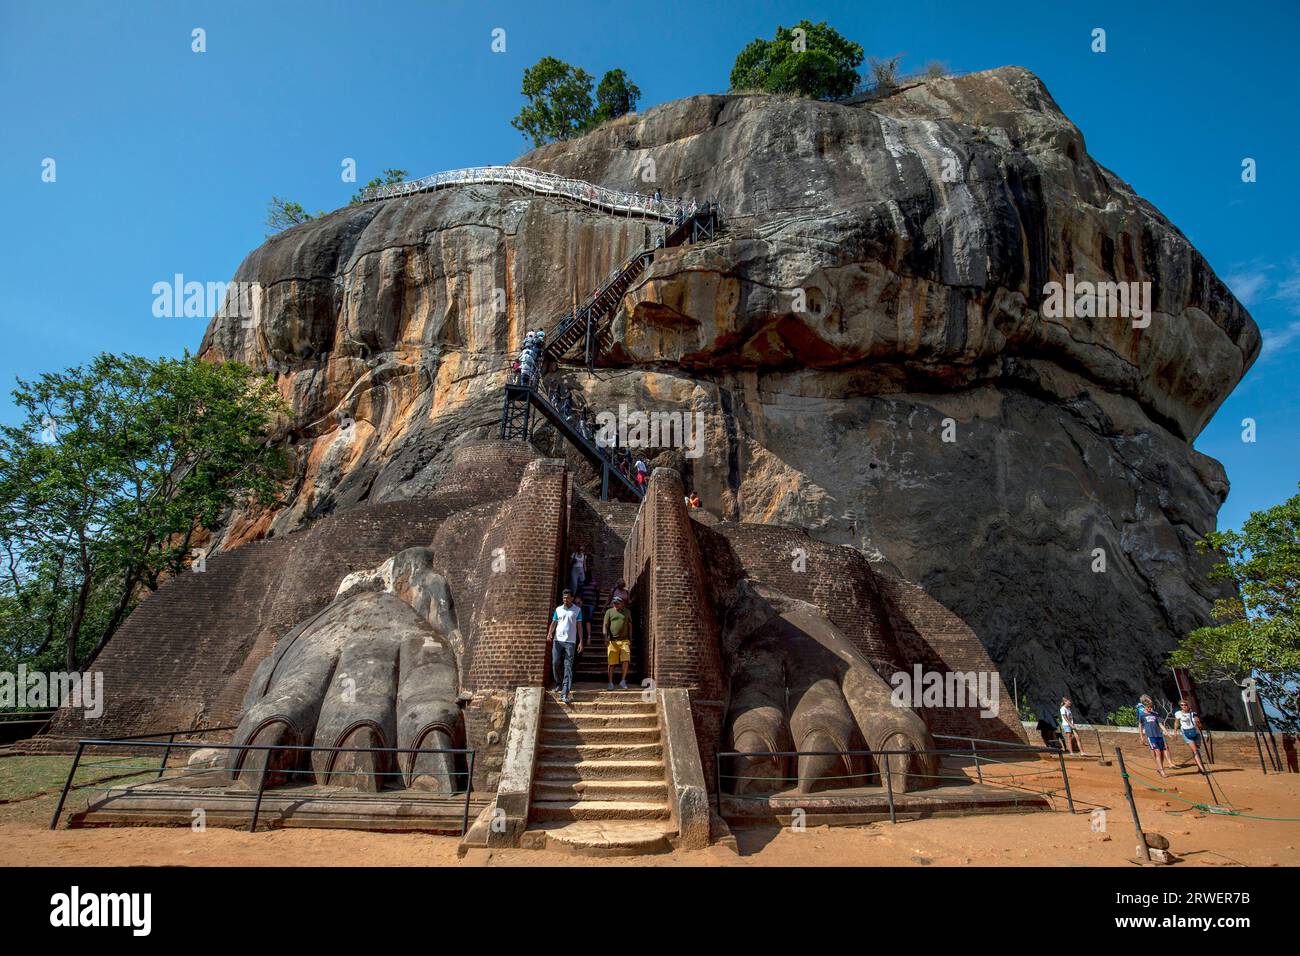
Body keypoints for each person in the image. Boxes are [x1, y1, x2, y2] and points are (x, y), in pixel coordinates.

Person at [546, 590, 583, 704]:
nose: (565, 599)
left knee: (568, 667)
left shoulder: (577, 610)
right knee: (555, 662)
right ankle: (558, 682)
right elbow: (554, 622)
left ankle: (564, 693)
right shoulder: (558, 609)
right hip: (558, 641)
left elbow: (580, 627)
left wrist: (581, 641)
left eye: (567, 598)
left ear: (572, 598)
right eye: (564, 598)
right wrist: (549, 633)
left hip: (570, 642)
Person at [603, 595, 633, 690]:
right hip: (612, 641)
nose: (615, 604)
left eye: (617, 603)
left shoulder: (627, 612)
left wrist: (630, 638)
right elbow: (605, 625)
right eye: (614, 603)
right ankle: (610, 683)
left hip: (624, 640)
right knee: (611, 663)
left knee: (626, 660)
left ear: (622, 603)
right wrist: (605, 637)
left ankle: (623, 680)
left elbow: (630, 626)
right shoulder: (609, 612)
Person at [1137, 694, 1168, 777]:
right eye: (1148, 707)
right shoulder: (1142, 714)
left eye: (1151, 707)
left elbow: (1160, 724)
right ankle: (1162, 771)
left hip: (1159, 735)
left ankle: (1159, 767)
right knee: (1157, 752)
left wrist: (1166, 732)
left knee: (1161, 753)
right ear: (1145, 707)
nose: (1150, 709)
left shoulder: (1155, 714)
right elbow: (1140, 725)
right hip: (1151, 736)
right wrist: (1141, 736)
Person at [1173, 700, 1207, 772]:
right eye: (1181, 705)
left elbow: (1200, 726)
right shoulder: (1178, 713)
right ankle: (1202, 769)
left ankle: (1199, 767)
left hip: (1196, 733)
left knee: (1197, 750)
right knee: (1195, 750)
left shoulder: (1193, 714)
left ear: (1188, 705)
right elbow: (1176, 723)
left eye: (1185, 705)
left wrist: (1198, 722)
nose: (1183, 706)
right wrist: (1175, 732)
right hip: (1186, 733)